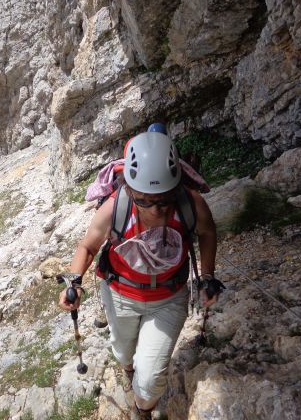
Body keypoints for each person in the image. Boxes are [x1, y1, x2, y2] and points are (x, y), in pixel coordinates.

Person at [58, 131, 221, 419]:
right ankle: (127, 368)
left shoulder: (189, 203)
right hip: (120, 295)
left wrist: (207, 276)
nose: (158, 209)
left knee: (149, 379)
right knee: (123, 352)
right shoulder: (115, 207)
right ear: (131, 191)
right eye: (146, 201)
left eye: (165, 199)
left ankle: (142, 410)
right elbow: (87, 246)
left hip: (168, 300)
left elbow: (208, 232)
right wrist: (74, 281)